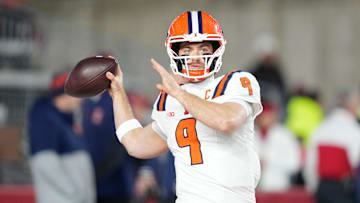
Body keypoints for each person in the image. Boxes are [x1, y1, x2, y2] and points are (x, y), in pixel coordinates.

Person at [105, 11, 263, 203]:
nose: (195, 57)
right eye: (187, 51)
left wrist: (180, 93)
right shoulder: (170, 99)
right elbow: (135, 143)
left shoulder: (236, 82)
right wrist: (118, 93)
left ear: (216, 50)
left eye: (203, 49)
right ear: (174, 53)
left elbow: (226, 121)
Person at [28, 71, 96, 203]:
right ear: (65, 94)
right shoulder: (44, 118)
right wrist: (74, 192)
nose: (81, 100)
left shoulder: (65, 121)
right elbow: (43, 161)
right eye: (78, 94)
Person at [304, 87, 360, 203]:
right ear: (352, 106)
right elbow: (355, 162)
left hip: (322, 188)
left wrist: (314, 187)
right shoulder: (354, 131)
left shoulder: (320, 129)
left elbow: (310, 164)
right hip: (344, 189)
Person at [254, 101, 301, 191]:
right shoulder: (250, 133)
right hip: (254, 189)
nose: (264, 119)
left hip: (278, 186)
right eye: (262, 116)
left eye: (268, 115)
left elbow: (295, 163)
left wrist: (269, 161)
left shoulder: (285, 135)